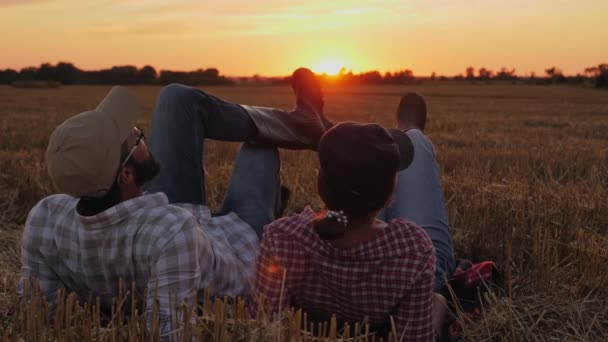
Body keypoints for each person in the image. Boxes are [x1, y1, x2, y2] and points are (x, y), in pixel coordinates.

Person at [18, 68, 331, 338]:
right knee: (260, 147)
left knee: (176, 98)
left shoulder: (46, 216)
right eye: (136, 139)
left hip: (184, 222)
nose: (142, 135)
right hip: (239, 245)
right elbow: (171, 331)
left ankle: (304, 124)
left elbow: (42, 309)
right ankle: (309, 133)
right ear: (126, 173)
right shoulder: (169, 230)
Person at [251, 121, 438, 341]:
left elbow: (264, 326)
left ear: (321, 184)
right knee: (416, 138)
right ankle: (412, 128)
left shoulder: (281, 237)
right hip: (403, 253)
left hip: (354, 215)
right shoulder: (414, 250)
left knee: (361, 209)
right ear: (389, 197)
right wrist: (440, 307)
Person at [378, 92, 455, 334]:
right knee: (415, 142)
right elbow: (432, 308)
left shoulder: (286, 238)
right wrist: (438, 301)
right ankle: (407, 134)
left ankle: (400, 138)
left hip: (345, 267)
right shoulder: (420, 251)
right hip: (416, 274)